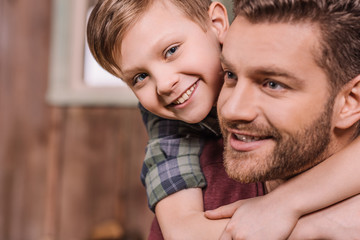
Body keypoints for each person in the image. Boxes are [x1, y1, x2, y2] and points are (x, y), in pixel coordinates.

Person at [87, 0, 360, 239]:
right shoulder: (173, 137)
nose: (165, 84)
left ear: (218, 24)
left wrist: (285, 204)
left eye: (272, 84)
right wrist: (318, 226)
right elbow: (183, 232)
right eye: (231, 75)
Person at [205, 0, 360, 239]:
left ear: (350, 101)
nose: (231, 110)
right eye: (230, 75)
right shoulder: (198, 184)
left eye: (273, 84)